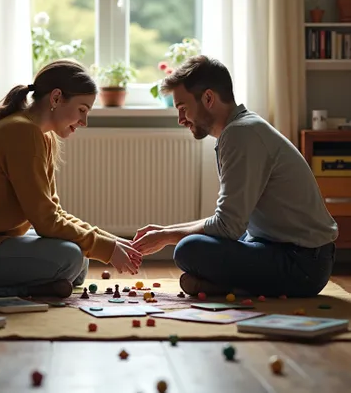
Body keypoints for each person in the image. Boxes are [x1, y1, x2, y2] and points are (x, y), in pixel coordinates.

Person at [0, 59, 142, 299]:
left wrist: (112, 242)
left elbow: (54, 212)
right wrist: (107, 249)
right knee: (71, 257)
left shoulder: (42, 136)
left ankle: (43, 286)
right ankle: (21, 290)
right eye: (82, 110)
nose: (84, 122)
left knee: (79, 258)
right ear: (55, 98)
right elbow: (46, 222)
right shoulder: (22, 132)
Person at [132, 55, 337, 298]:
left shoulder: (241, 135)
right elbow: (229, 222)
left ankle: (231, 286)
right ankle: (230, 286)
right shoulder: (240, 129)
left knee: (188, 249)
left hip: (302, 264)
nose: (180, 120)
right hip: (277, 247)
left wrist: (167, 236)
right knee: (199, 244)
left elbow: (226, 226)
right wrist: (166, 231)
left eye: (183, 108)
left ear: (208, 98)